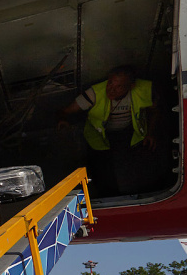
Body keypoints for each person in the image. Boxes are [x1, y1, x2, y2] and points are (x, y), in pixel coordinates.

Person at [58, 65, 156, 196]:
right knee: (103, 169)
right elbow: (66, 111)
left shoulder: (142, 90)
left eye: (119, 87)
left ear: (130, 86)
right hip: (98, 136)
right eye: (110, 83)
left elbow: (155, 110)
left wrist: (150, 133)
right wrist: (63, 120)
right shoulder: (94, 93)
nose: (111, 90)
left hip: (129, 134)